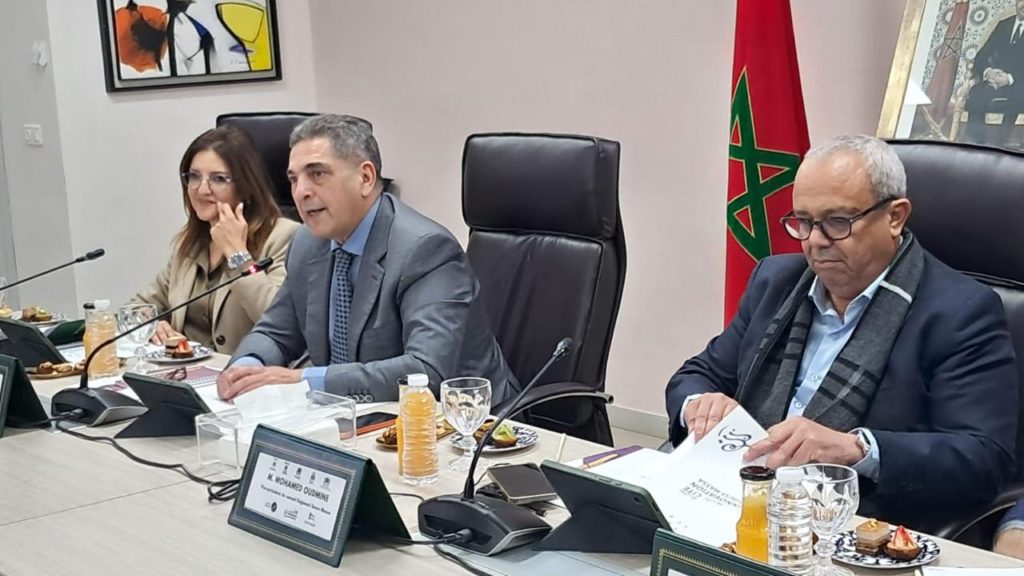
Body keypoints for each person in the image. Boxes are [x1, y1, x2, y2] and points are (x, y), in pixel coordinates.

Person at [665, 134, 1018, 529]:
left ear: (895, 217)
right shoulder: (776, 281)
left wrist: (858, 449)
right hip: (737, 496)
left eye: (837, 222)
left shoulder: (960, 312)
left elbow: (983, 458)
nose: (816, 241)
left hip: (853, 523)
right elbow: (696, 374)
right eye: (803, 222)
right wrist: (699, 404)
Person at [216, 114, 517, 403]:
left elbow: (426, 371)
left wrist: (304, 380)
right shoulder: (308, 243)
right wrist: (246, 367)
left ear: (365, 177)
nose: (301, 192)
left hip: (461, 422)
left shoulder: (424, 249)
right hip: (351, 416)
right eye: (294, 179)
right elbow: (277, 332)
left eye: (317, 174)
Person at [132, 126, 300, 354]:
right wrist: (152, 325)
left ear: (246, 187)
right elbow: (137, 307)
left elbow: (278, 320)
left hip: (248, 369)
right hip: (186, 370)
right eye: (194, 176)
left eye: (219, 179)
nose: (202, 190)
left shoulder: (284, 237)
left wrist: (238, 255)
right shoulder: (191, 243)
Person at [965, 0, 1024, 145]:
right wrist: (989, 72)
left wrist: (1009, 78)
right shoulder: (1004, 25)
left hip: (1019, 84)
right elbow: (981, 56)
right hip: (995, 81)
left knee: (1017, 97)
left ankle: (1000, 146)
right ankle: (976, 143)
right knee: (976, 93)